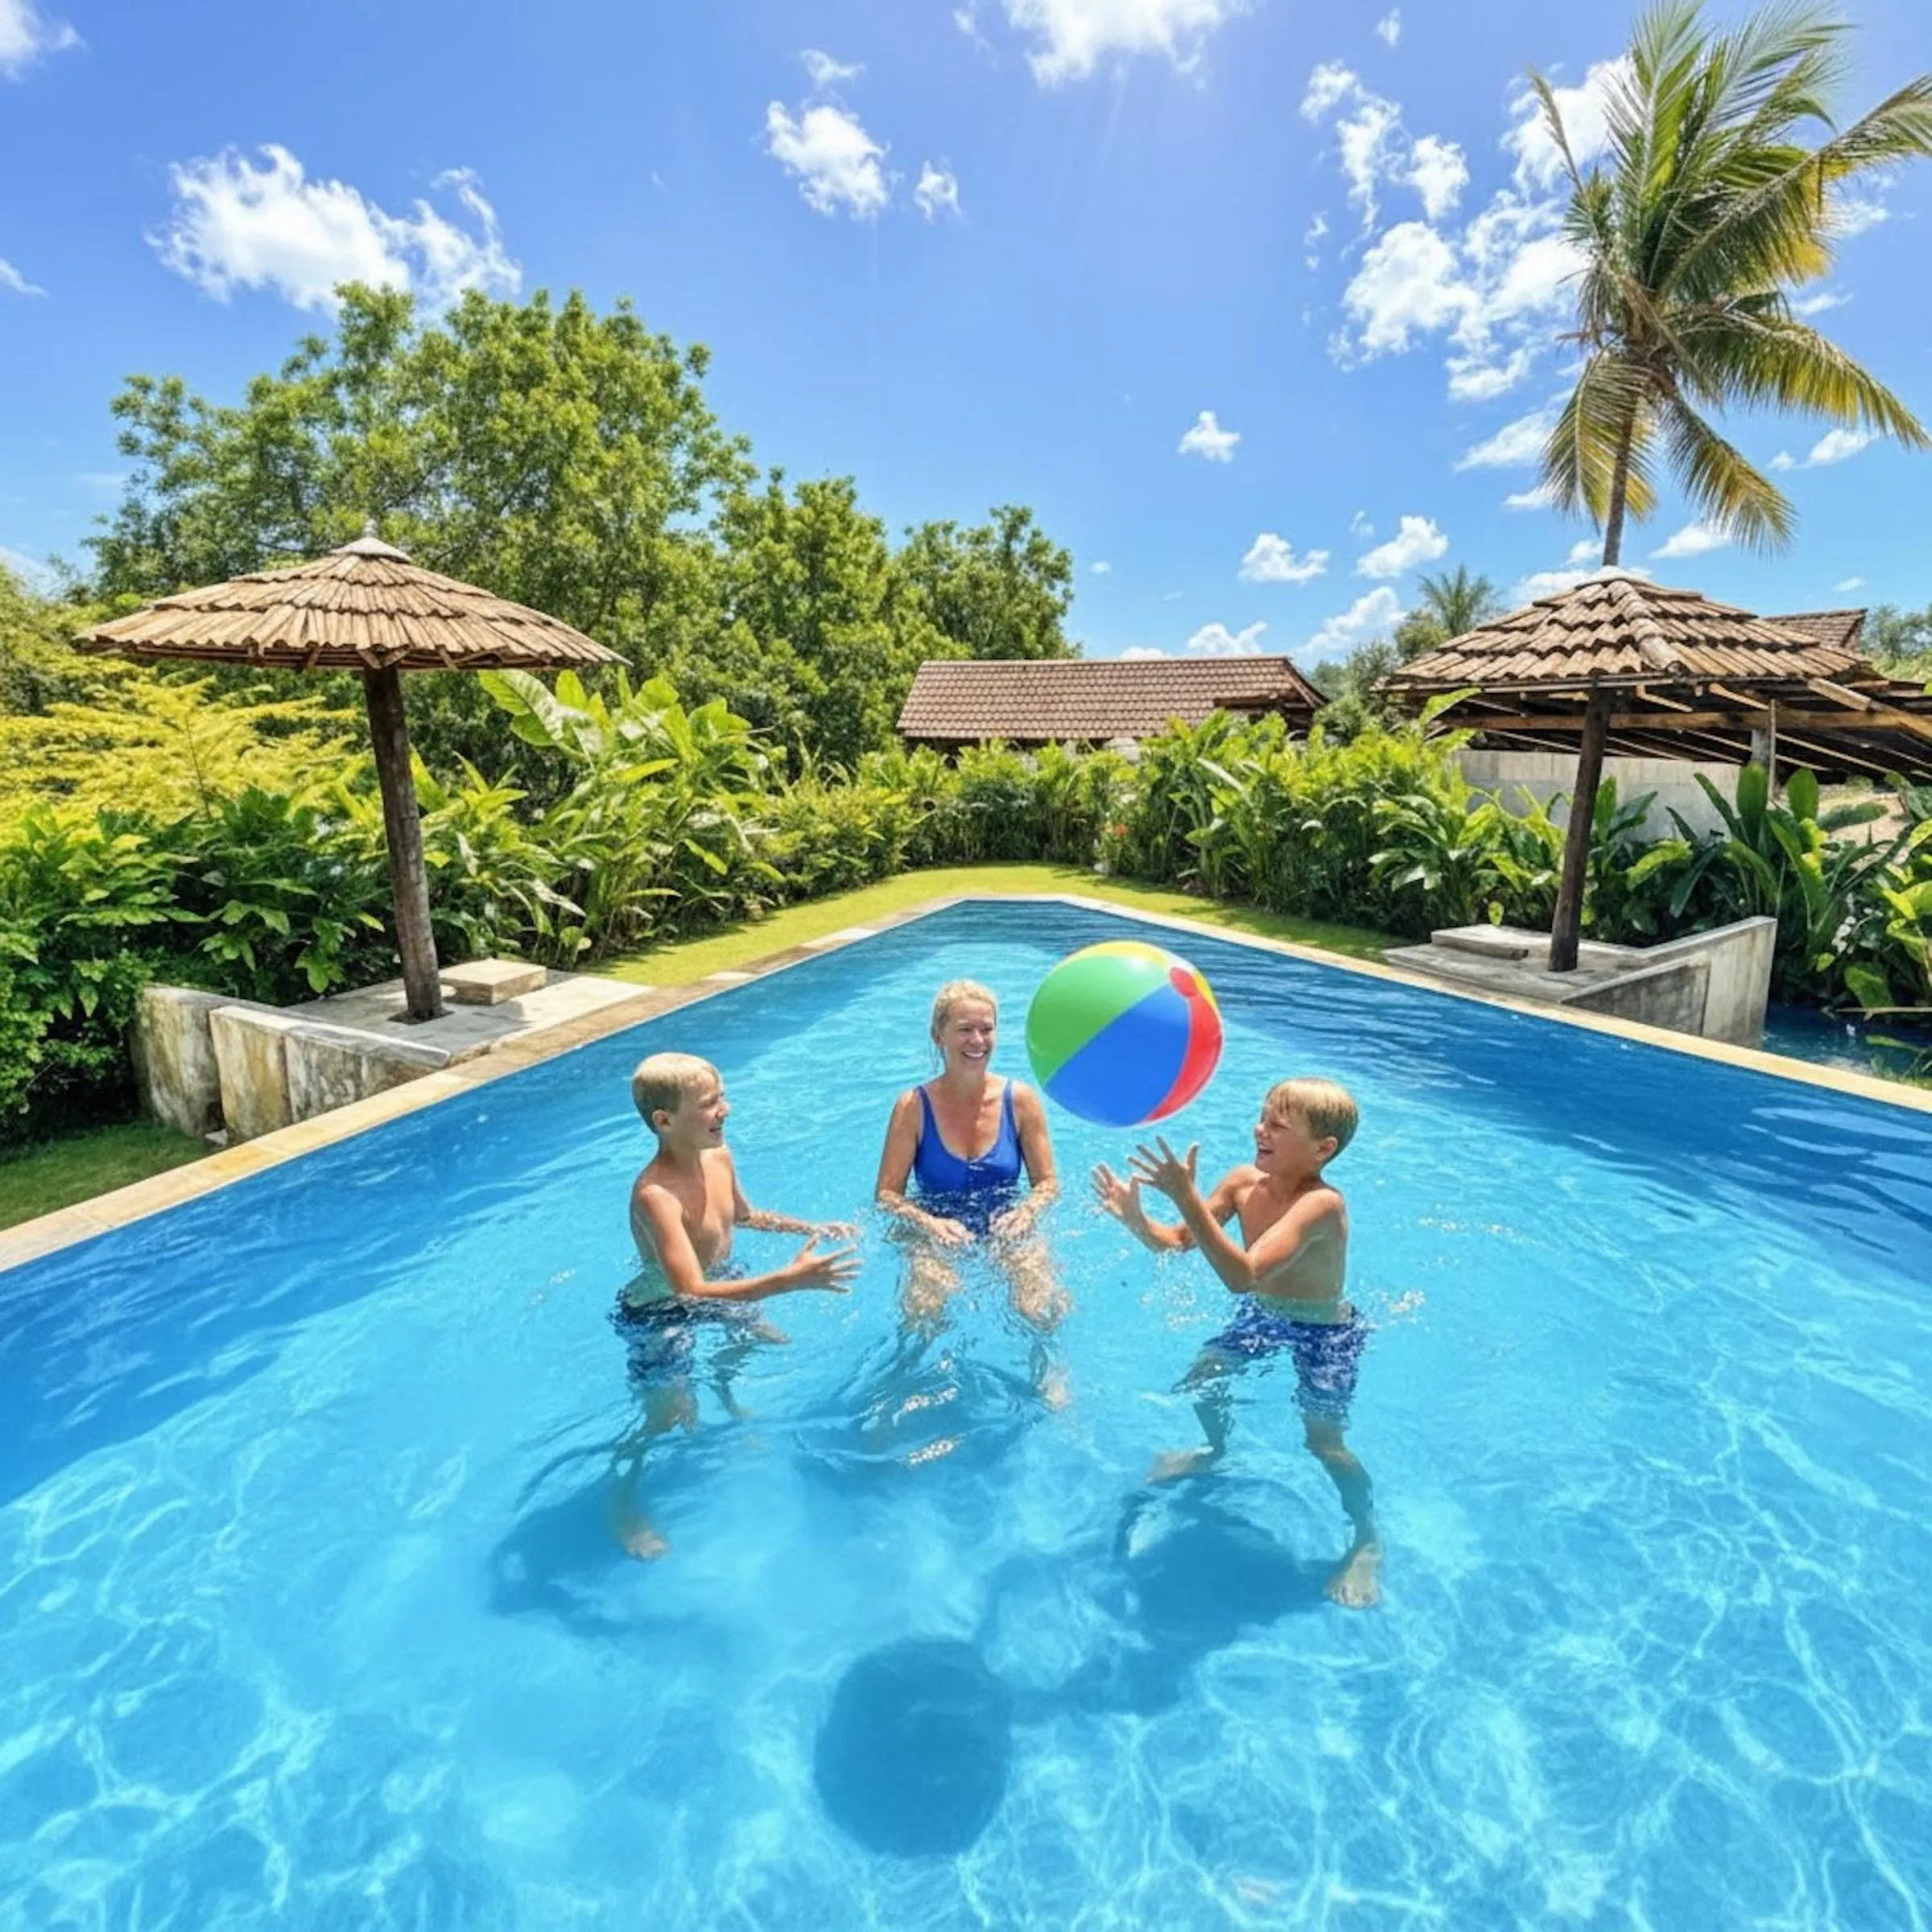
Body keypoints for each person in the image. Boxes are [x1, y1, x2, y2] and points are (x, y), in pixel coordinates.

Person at [1091, 1077, 1380, 1608]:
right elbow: (1178, 1242)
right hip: (1266, 1315)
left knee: (1324, 1442)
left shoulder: (1323, 1206)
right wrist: (1137, 1221)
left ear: (1323, 1149)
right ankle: (1215, 1449)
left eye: (1277, 1125)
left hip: (1324, 1332)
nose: (1259, 1129)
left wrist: (1184, 1194)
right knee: (1204, 1375)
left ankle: (1365, 1540)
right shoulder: (1243, 1182)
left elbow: (1242, 1274)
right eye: (1262, 1116)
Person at [613, 1050, 857, 1557]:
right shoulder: (656, 1195)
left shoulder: (718, 1156)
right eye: (709, 1103)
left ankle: (726, 1397)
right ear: (664, 1121)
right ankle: (624, 1503)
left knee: (765, 1339)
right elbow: (689, 1292)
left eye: (721, 1097)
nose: (726, 1109)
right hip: (661, 1310)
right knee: (667, 1416)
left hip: (723, 1281)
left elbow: (743, 1214)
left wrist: (809, 1227)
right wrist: (788, 1281)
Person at [874, 980, 1066, 1337]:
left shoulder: (1020, 1100)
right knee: (924, 1310)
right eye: (965, 1030)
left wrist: (1025, 1213)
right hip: (934, 1227)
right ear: (938, 1036)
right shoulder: (913, 1108)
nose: (977, 1041)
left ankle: (1052, 1374)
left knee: (1038, 1306)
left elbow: (1049, 1184)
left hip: (1005, 1222)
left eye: (986, 1030)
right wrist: (930, 1225)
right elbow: (887, 1196)